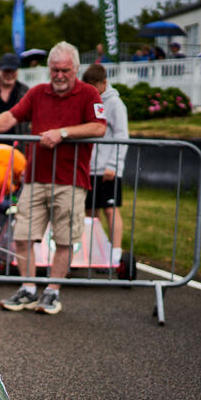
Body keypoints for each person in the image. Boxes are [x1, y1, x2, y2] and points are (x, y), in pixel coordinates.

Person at [0, 41, 106, 315]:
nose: (59, 75)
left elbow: (98, 127)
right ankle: (28, 289)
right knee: (22, 236)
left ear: (76, 69)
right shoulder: (37, 92)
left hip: (71, 180)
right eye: (54, 70)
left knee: (65, 239)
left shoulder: (89, 93)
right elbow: (12, 115)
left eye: (65, 70)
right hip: (35, 177)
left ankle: (52, 292)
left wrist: (63, 133)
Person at [82, 63, 128, 268]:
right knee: (90, 213)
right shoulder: (89, 102)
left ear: (103, 83)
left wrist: (113, 164)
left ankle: (116, 252)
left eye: (94, 86)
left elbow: (121, 135)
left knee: (110, 209)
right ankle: (94, 252)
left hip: (108, 168)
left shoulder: (115, 104)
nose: (92, 89)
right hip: (89, 167)